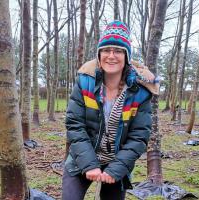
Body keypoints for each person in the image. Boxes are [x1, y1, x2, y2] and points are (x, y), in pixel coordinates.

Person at [62, 20, 158, 200]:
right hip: (81, 159)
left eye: (118, 51)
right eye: (106, 50)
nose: (111, 55)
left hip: (117, 163)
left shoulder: (140, 92)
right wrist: (89, 164)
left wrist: (116, 170)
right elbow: (75, 125)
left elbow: (139, 136)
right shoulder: (85, 82)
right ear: (99, 54)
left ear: (127, 56)